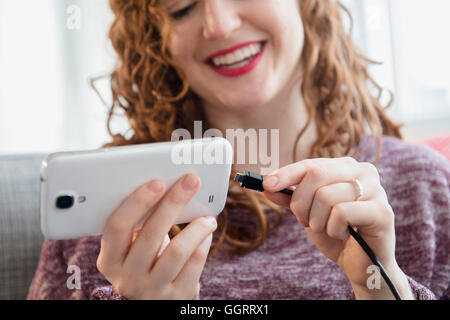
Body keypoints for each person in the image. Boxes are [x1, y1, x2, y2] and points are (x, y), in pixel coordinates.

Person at [27, 0, 449, 300]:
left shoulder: (425, 187)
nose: (220, 23)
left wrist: (384, 287)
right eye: (181, 7)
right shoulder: (100, 220)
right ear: (154, 38)